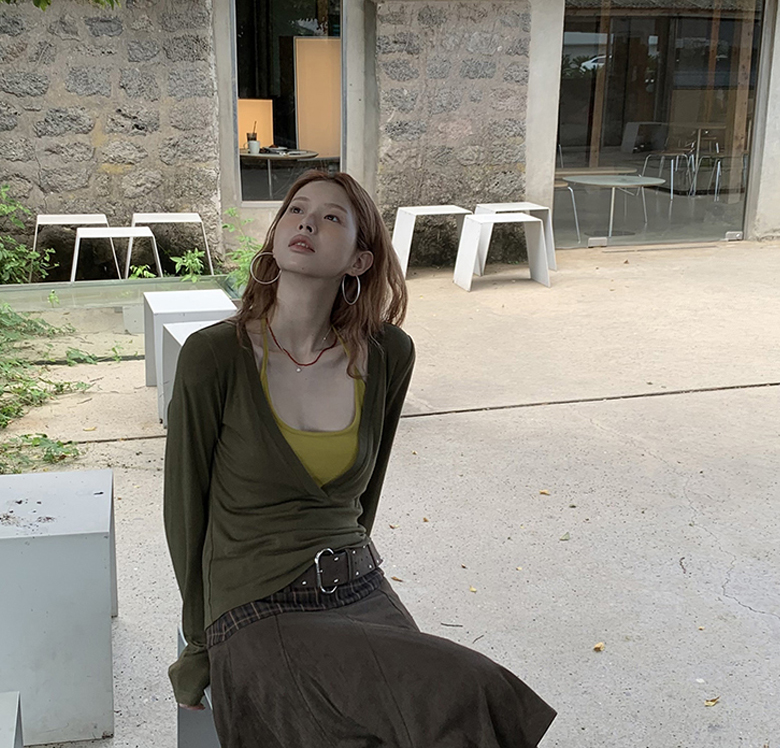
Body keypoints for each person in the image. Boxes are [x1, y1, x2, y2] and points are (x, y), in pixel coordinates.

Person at [163, 170, 557, 746]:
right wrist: (198, 643)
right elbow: (184, 509)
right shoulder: (214, 355)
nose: (306, 223)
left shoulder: (387, 353)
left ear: (359, 260)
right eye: (296, 209)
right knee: (464, 688)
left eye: (331, 217)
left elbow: (364, 499)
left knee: (445, 708)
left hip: (358, 588)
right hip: (254, 604)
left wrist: (363, 583)